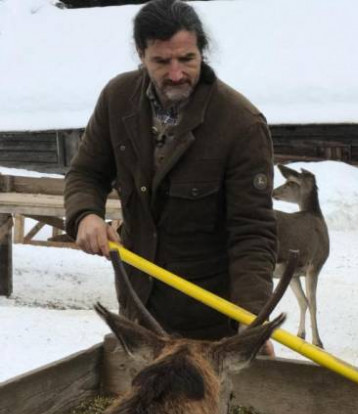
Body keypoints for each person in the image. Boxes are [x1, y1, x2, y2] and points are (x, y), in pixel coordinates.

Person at [64, 0, 277, 346]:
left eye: (187, 59)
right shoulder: (117, 99)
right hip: (138, 305)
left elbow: (252, 232)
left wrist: (250, 319)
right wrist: (85, 214)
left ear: (202, 51)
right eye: (162, 62)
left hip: (209, 320)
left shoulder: (240, 124)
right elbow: (86, 172)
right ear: (141, 54)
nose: (176, 74)